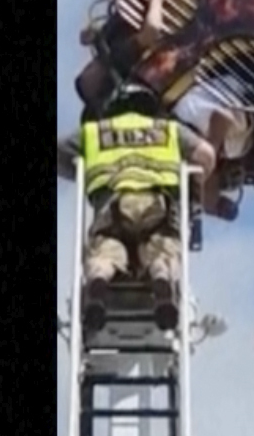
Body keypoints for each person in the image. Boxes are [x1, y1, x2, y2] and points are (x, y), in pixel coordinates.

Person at [56, 82, 217, 332]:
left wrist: (82, 170)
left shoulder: (94, 133)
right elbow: (205, 154)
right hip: (158, 205)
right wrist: (194, 192)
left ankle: (98, 285)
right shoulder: (170, 131)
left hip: (112, 206)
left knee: (106, 251)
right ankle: (162, 282)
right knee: (162, 250)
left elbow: (59, 154)